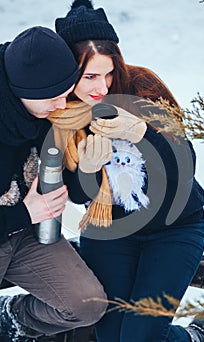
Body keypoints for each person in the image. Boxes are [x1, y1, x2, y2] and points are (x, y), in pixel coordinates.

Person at [52, 0, 204, 342]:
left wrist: (142, 134)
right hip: (110, 229)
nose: (102, 87)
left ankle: (197, 336)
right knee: (110, 334)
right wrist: (87, 168)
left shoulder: (142, 88)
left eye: (110, 72)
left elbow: (183, 171)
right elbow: (79, 196)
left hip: (173, 228)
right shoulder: (62, 112)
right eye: (91, 76)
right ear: (70, 74)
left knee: (138, 337)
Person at [0, 26, 108, 341]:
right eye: (54, 98)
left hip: (27, 236)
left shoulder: (50, 112)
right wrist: (24, 213)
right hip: (19, 220)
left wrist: (87, 169)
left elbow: (73, 192)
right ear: (24, 91)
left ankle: (12, 318)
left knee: (87, 305)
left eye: (66, 94)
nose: (63, 106)